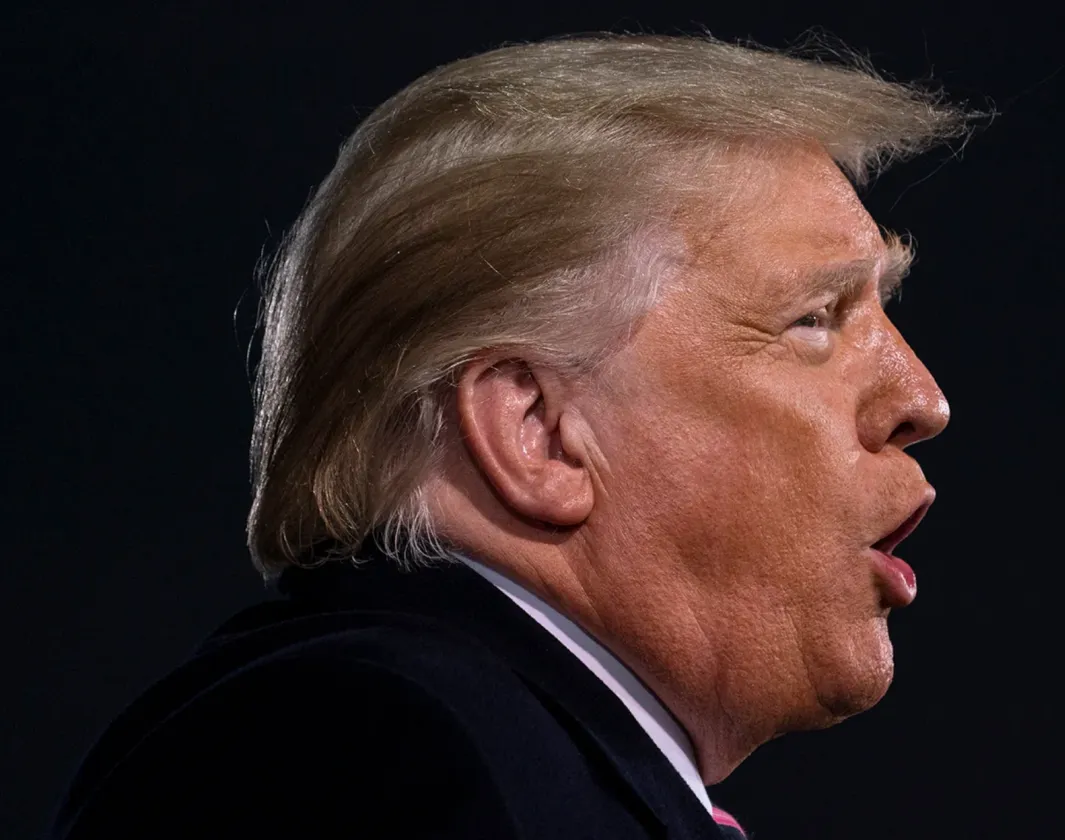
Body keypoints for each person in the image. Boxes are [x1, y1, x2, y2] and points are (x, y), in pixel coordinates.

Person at [49, 33, 968, 839]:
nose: (923, 399)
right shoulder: (367, 746)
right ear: (538, 430)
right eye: (815, 318)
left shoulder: (504, 751)